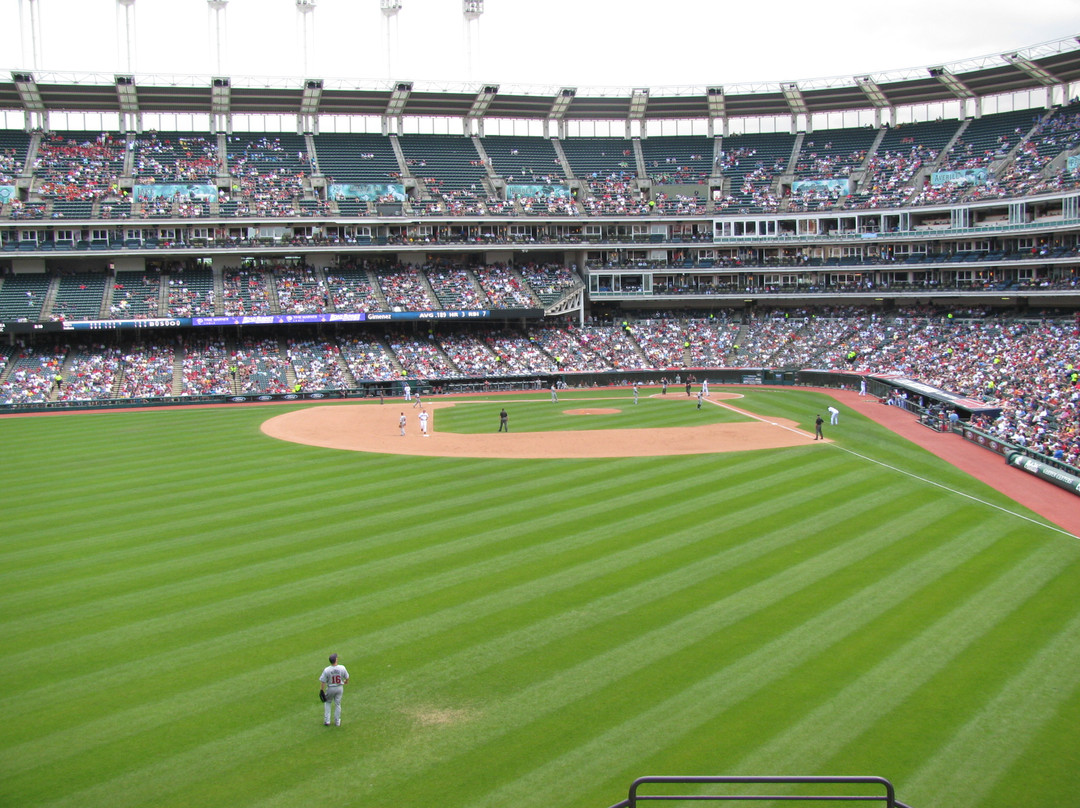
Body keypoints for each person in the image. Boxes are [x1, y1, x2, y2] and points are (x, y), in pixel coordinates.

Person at [319, 653, 349, 726]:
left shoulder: (327, 670)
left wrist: (321, 690)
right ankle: (337, 722)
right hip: (339, 688)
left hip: (330, 688)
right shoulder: (342, 668)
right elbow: (347, 677)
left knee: (328, 702)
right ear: (336, 660)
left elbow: (323, 681)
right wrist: (346, 682)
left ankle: (327, 721)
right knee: (337, 704)